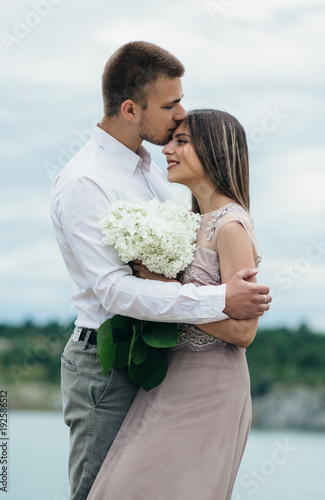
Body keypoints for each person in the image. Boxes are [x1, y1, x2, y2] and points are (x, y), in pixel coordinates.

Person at [50, 42, 271, 500]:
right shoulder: (86, 181)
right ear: (131, 109)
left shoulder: (151, 170)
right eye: (170, 105)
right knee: (102, 491)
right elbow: (113, 291)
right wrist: (220, 299)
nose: (180, 114)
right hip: (105, 364)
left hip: (162, 364)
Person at [87, 109, 261, 500]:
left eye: (181, 141)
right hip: (167, 379)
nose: (166, 149)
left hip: (210, 384)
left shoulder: (230, 226)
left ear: (215, 150)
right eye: (171, 140)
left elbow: (243, 332)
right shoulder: (190, 219)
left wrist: (161, 287)